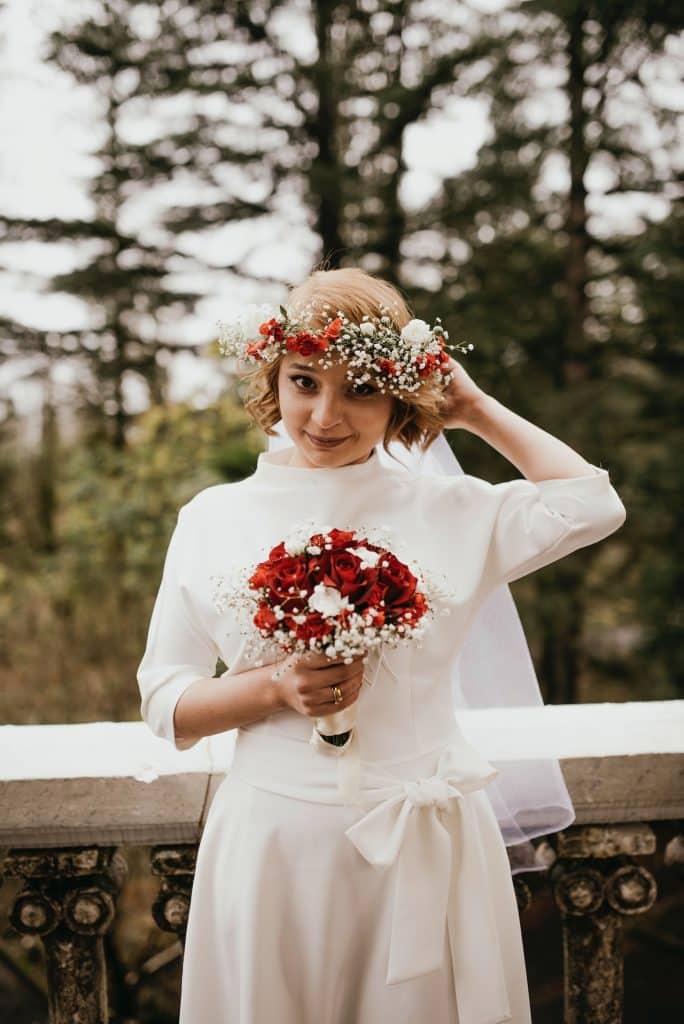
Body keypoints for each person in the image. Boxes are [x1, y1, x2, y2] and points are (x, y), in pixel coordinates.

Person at [136, 267, 627, 1024]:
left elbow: (594, 505)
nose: (326, 414)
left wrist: (475, 410)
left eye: (361, 387)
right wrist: (272, 689)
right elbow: (165, 703)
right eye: (304, 381)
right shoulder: (212, 517)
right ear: (275, 377)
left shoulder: (453, 508)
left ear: (401, 395)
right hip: (274, 852)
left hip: (424, 848)